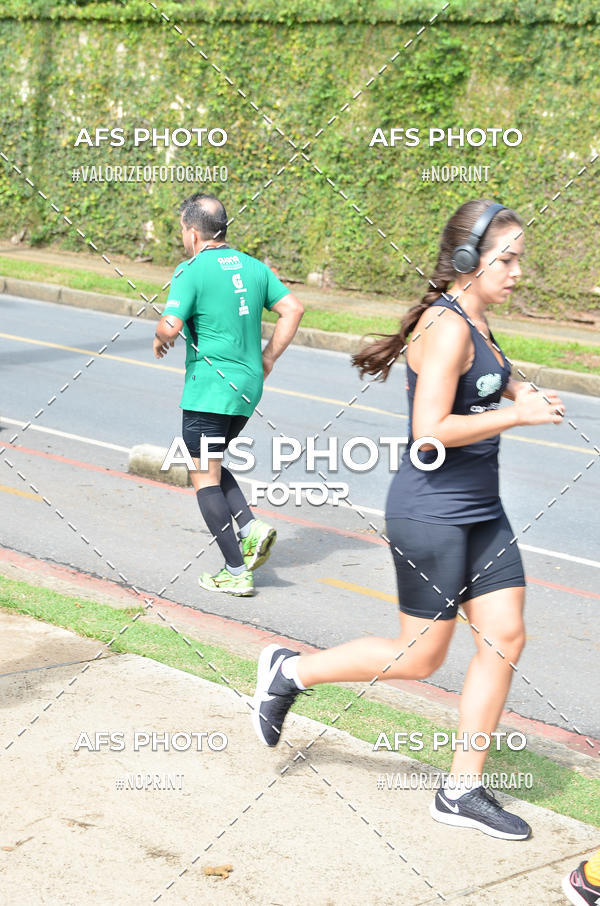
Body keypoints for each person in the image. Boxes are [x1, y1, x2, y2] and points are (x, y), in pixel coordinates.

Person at [250, 199, 566, 839]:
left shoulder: (477, 322)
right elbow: (430, 432)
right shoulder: (445, 326)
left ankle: (461, 790)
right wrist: (516, 415)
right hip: (432, 512)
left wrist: (513, 390)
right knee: (419, 658)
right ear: (468, 261)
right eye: (507, 260)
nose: (517, 272)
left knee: (505, 638)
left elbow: (481, 379)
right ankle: (289, 672)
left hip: (482, 511)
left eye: (519, 260)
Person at [153, 193, 303, 596]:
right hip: (248, 387)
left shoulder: (191, 270)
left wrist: (161, 335)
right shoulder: (254, 267)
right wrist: (268, 357)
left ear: (192, 231)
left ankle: (236, 570)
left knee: (202, 475)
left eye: (183, 231)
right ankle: (250, 527)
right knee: (211, 462)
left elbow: (169, 325)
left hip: (209, 389)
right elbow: (293, 309)